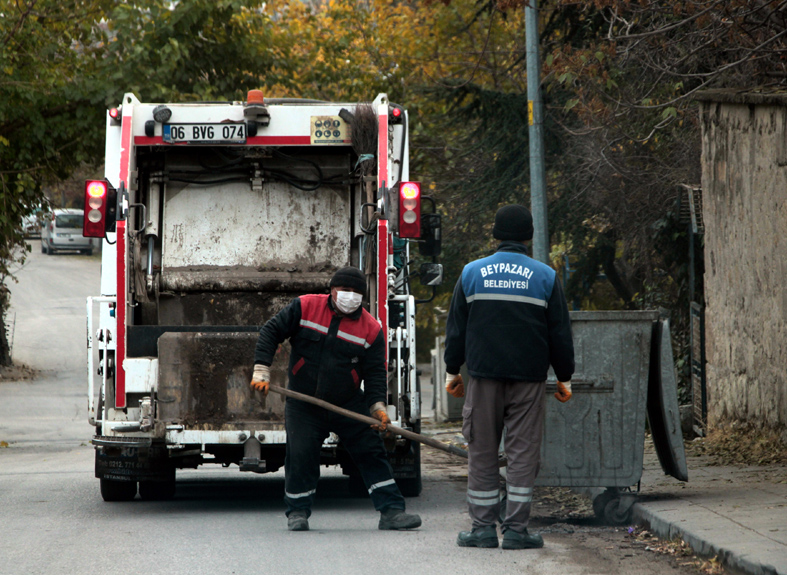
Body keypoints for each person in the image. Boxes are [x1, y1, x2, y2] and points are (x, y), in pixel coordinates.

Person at [250, 266, 422, 532]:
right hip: (304, 401)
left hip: (348, 401)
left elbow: (375, 373)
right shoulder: (305, 307)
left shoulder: (371, 329)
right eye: (345, 290)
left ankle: (392, 512)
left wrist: (377, 407)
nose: (350, 296)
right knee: (301, 454)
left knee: (371, 451)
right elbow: (271, 331)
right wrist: (262, 369)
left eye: (356, 292)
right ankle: (298, 512)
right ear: (332, 290)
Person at [443, 204, 575, 550]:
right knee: (522, 455)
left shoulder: (472, 273)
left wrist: (452, 370)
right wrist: (565, 376)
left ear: (496, 234)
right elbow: (560, 332)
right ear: (528, 236)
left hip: (483, 378)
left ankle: (482, 530)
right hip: (528, 380)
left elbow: (456, 328)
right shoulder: (545, 276)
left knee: (482, 452)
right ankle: (516, 531)